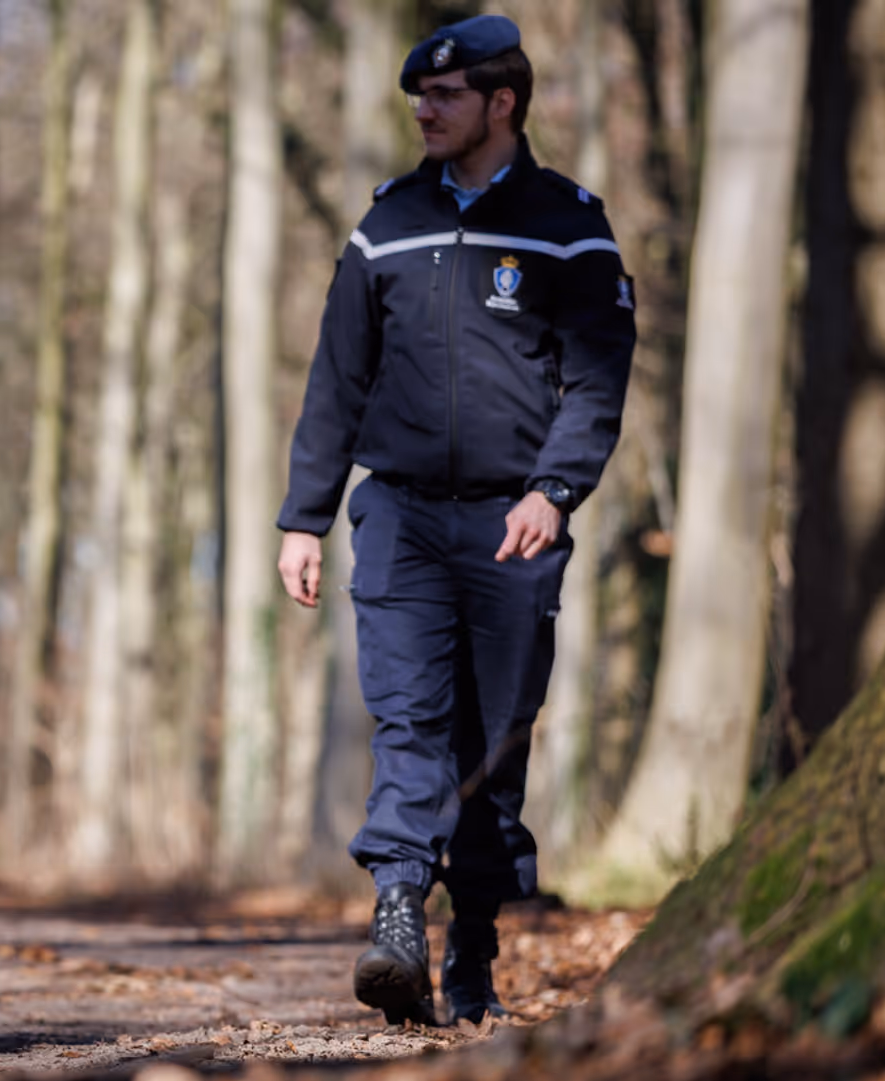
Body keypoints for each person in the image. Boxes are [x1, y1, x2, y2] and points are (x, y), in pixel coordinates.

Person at [276, 14, 637, 1025]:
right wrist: (303, 519)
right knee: (409, 719)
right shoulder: (386, 222)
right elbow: (335, 382)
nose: (424, 111)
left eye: (444, 97)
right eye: (417, 98)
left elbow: (597, 383)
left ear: (501, 103)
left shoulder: (569, 223)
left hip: (513, 525)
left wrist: (552, 491)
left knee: (492, 741)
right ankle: (396, 911)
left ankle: (472, 938)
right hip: (396, 513)